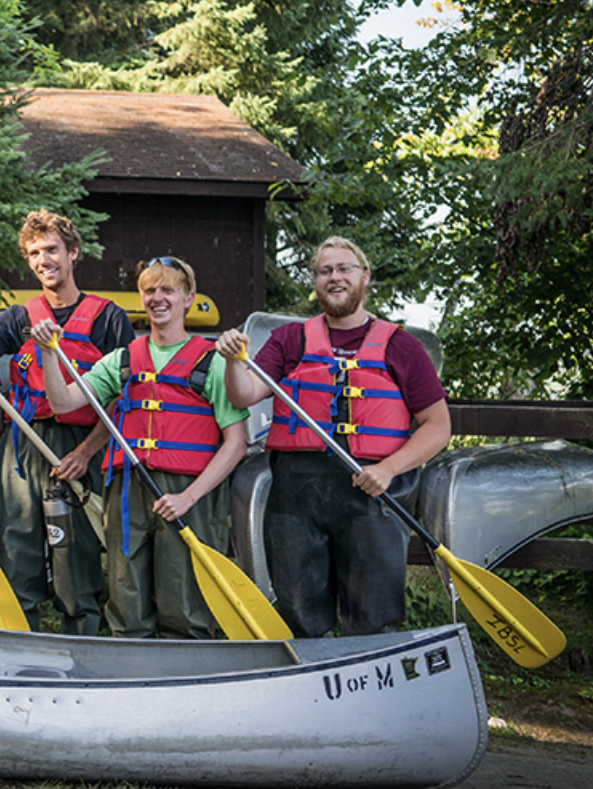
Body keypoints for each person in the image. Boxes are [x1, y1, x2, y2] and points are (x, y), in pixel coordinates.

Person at [215, 237, 450, 637]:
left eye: (344, 269)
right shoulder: (290, 341)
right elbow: (244, 394)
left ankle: (374, 690)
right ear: (316, 281)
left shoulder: (401, 346)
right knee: (299, 611)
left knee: (373, 615)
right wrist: (233, 360)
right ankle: (310, 688)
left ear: (364, 277)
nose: (334, 277)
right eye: (325, 271)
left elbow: (438, 426)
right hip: (297, 489)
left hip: (371, 488)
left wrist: (390, 469)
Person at [0, 209, 133, 633]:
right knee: (16, 544)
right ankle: (19, 637)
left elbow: (122, 404)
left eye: (51, 249)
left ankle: (81, 635)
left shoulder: (108, 318)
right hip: (24, 443)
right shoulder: (20, 317)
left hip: (81, 443)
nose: (43, 260)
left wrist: (87, 453)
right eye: (34, 253)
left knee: (75, 552)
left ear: (73, 253)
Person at [39, 257, 247, 639]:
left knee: (185, 601)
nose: (158, 298)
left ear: (188, 298)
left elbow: (236, 444)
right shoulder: (123, 360)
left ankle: (188, 678)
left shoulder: (212, 362)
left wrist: (188, 496)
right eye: (150, 290)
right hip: (127, 490)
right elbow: (63, 403)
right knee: (126, 595)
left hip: (190, 492)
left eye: (168, 290)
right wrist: (50, 353)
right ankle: (131, 675)